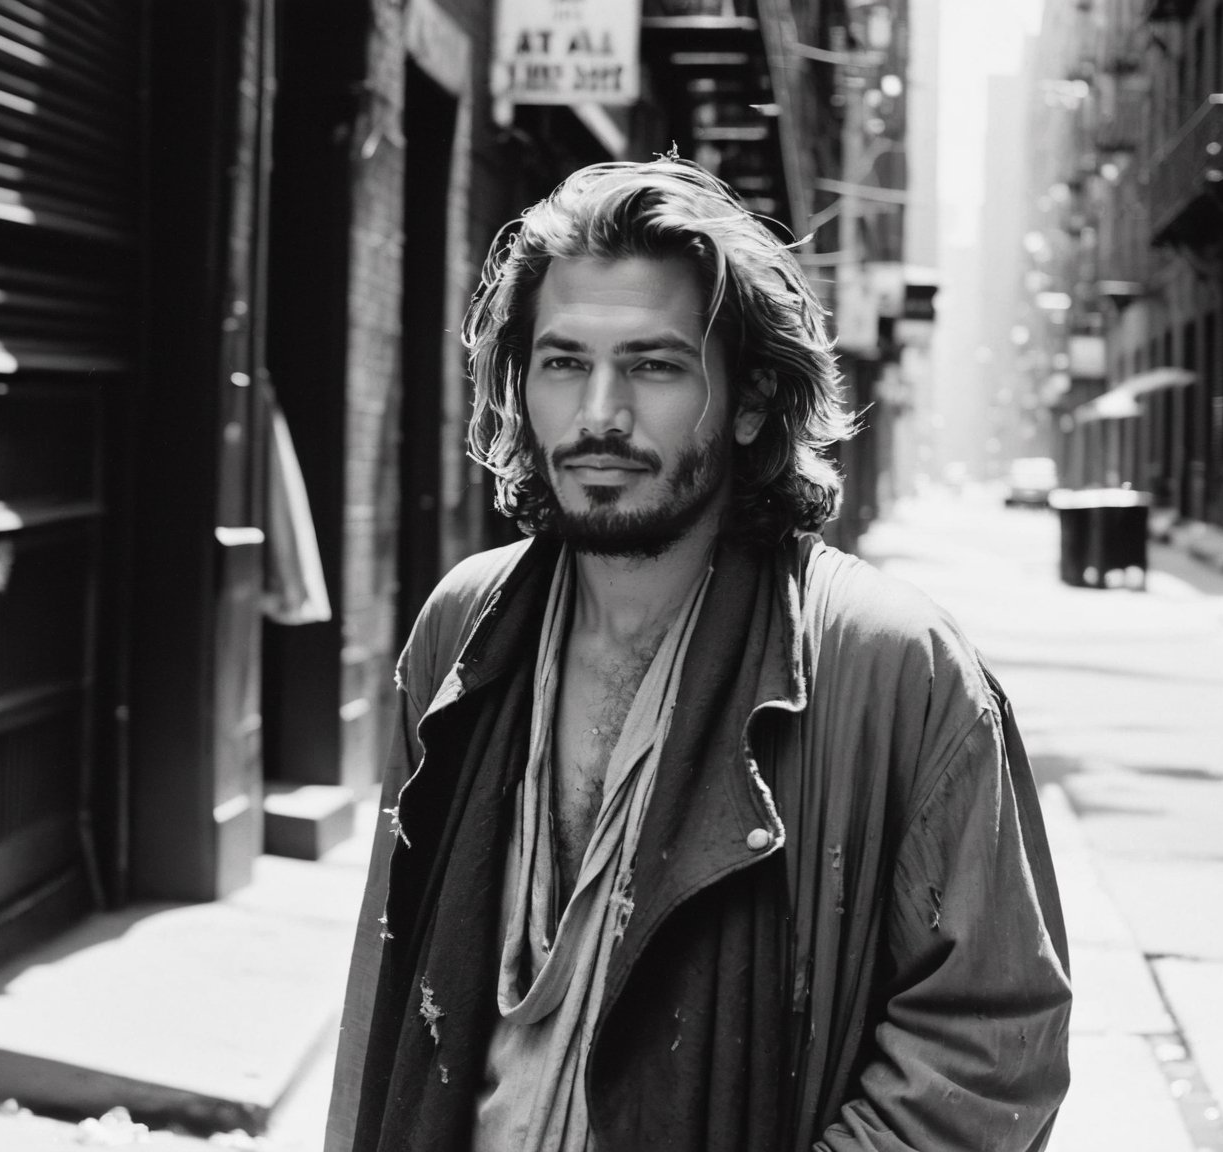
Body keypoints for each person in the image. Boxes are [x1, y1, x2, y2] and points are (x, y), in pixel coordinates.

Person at [325, 158, 1071, 1152]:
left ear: (753, 399)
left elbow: (989, 1054)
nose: (600, 415)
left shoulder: (895, 672)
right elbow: (386, 998)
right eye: (563, 363)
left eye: (653, 365)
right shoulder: (465, 627)